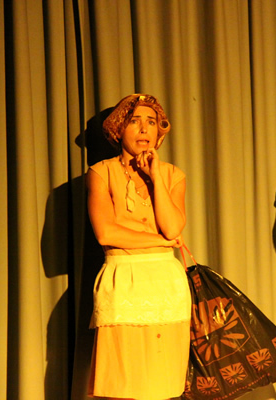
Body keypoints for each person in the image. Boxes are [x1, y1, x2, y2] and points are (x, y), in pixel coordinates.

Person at [86, 94, 191, 400]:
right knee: (122, 385)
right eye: (135, 121)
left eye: (152, 122)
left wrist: (155, 176)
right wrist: (161, 242)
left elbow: (173, 227)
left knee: (164, 385)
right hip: (123, 280)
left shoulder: (172, 175)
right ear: (120, 129)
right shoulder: (101, 172)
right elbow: (106, 233)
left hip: (166, 282)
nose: (145, 129)